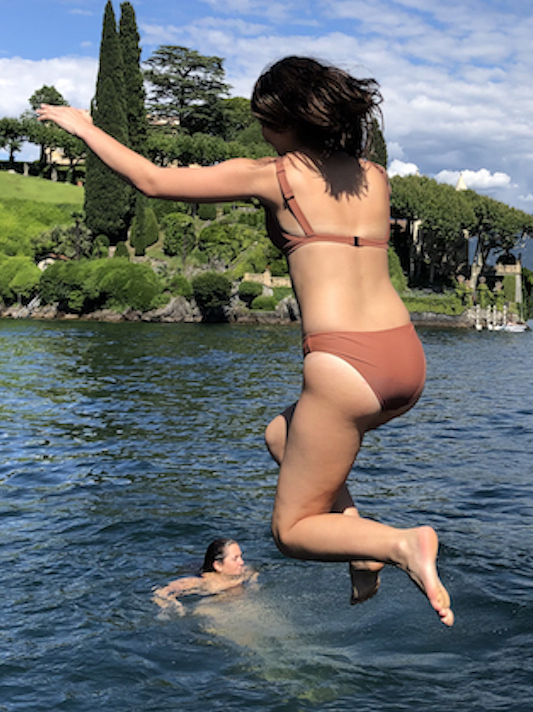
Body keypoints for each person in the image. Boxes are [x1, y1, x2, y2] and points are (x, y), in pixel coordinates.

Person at [38, 56, 453, 626]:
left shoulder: (275, 175)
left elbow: (154, 181)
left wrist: (85, 127)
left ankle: (399, 545)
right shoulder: (373, 175)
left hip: (345, 365)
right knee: (281, 436)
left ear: (287, 119)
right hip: (405, 359)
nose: (261, 130)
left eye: (265, 119)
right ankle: (359, 544)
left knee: (291, 532)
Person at [153, 538, 258, 614]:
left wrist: (253, 583)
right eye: (235, 559)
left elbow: (253, 572)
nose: (242, 562)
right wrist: (173, 605)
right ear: (218, 565)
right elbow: (161, 592)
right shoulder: (206, 582)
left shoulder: (244, 572)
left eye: (241, 556)